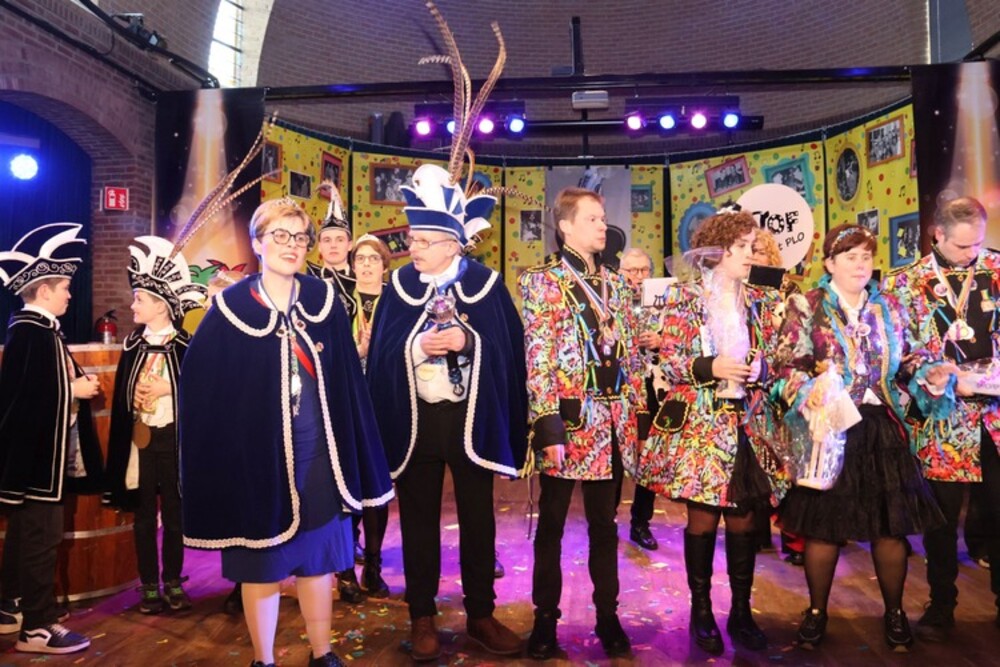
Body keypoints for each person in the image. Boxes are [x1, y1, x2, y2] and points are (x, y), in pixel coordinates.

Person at [179, 198, 394, 667]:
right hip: (258, 461)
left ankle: (322, 652)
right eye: (280, 235)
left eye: (299, 237)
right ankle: (264, 659)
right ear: (258, 243)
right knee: (262, 565)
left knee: (318, 560)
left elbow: (347, 383)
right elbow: (202, 386)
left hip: (319, 454)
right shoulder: (231, 308)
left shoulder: (322, 301)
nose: (291, 245)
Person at [366, 163, 528, 661]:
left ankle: (481, 614)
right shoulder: (398, 286)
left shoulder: (487, 284)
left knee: (479, 520)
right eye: (412, 238)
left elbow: (509, 351)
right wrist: (416, 347)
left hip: (469, 420)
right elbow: (382, 353)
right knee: (417, 522)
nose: (411, 247)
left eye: (422, 240)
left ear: (452, 244)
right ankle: (422, 616)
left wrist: (468, 341)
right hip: (417, 421)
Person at [774, 223, 953, 652]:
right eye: (850, 257)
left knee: (890, 530)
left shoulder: (888, 306)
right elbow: (786, 367)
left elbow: (910, 358)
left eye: (866, 257)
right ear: (830, 263)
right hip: (831, 427)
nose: (860, 265)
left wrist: (930, 373)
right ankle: (816, 613)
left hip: (880, 428)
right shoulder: (807, 305)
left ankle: (894, 614)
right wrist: (809, 391)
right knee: (823, 530)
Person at [634, 209, 786, 655]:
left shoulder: (761, 299)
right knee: (701, 518)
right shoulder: (684, 297)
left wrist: (761, 369)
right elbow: (671, 358)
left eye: (752, 246)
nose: (750, 254)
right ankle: (701, 610)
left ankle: (741, 611)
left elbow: (778, 356)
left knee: (743, 518)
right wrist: (710, 366)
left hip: (747, 421)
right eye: (741, 247)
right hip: (702, 423)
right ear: (718, 251)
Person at [521, 187, 649, 660]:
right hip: (569, 426)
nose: (602, 226)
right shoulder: (543, 282)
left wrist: (638, 417)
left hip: (612, 425)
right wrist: (548, 425)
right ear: (566, 226)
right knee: (551, 526)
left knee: (605, 526)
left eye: (603, 217)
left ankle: (607, 616)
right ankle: (544, 619)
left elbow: (631, 357)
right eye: (592, 218)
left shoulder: (617, 283)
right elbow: (538, 358)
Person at [882, 196, 1000, 640]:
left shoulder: (996, 269)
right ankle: (941, 603)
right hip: (942, 417)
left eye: (978, 244)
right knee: (942, 519)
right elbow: (896, 352)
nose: (973, 254)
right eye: (963, 246)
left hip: (995, 415)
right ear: (937, 235)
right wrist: (934, 373)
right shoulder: (905, 283)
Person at [0, 223, 104, 655]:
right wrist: (73, 389)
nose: (69, 295)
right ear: (43, 291)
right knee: (41, 540)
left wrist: (71, 385)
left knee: (26, 536)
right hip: (38, 461)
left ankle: (10, 606)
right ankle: (37, 628)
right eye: (63, 287)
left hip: (35, 459)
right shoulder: (32, 332)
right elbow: (21, 397)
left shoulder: (38, 330)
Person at [104, 236, 206, 615]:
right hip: (141, 443)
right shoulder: (132, 344)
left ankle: (174, 580)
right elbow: (123, 392)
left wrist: (169, 388)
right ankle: (149, 583)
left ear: (161, 305)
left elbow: (202, 391)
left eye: (139, 299)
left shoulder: (185, 345)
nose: (133, 305)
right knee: (144, 515)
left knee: (175, 515)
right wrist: (132, 397)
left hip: (173, 440)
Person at [334, 233, 393, 603]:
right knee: (347, 489)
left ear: (385, 265)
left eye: (374, 259)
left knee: (378, 491)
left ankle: (373, 566)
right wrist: (359, 350)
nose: (367, 264)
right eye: (360, 259)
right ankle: (344, 571)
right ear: (352, 265)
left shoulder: (397, 301)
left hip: (385, 404)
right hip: (348, 404)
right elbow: (327, 355)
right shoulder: (338, 302)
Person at [749, 229, 806, 564]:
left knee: (788, 463)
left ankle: (793, 539)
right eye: (747, 249)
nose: (752, 255)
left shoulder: (789, 291)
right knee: (757, 462)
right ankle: (756, 531)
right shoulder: (735, 290)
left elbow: (801, 338)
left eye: (758, 250)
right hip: (750, 388)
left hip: (783, 388)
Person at [618, 247, 662, 551]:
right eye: (631, 270)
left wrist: (660, 341)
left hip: (653, 387)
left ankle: (640, 522)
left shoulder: (665, 304)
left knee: (649, 456)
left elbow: (682, 342)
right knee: (615, 456)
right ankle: (605, 519)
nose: (637, 276)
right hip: (620, 389)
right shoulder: (610, 300)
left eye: (644, 270)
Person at [306, 183, 356, 319]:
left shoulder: (363, 281)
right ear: (320, 246)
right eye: (327, 240)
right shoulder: (306, 283)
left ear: (349, 245)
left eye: (340, 240)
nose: (333, 245)